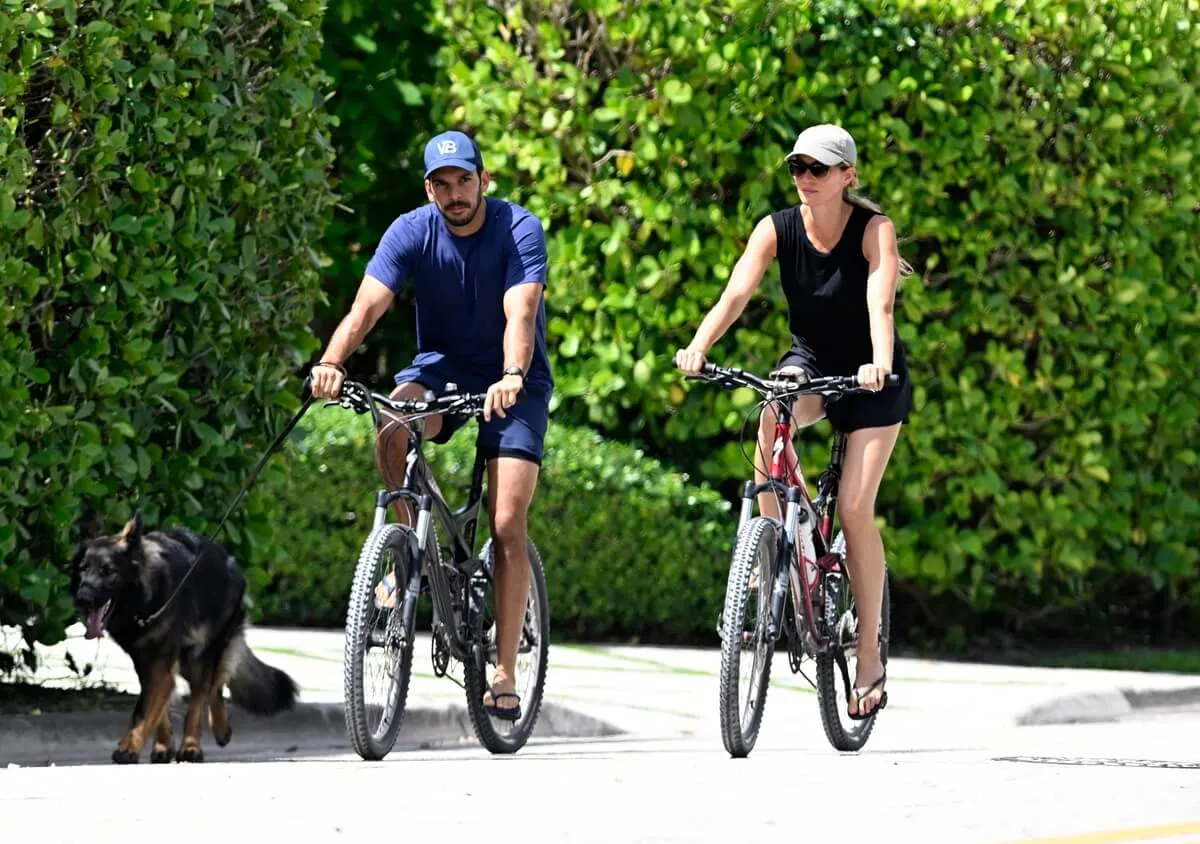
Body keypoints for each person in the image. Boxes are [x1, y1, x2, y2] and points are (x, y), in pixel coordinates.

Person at [309, 129, 553, 721]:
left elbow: (520, 310)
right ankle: (404, 554)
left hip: (512, 381)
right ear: (429, 189)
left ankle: (503, 668)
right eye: (442, 185)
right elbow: (365, 307)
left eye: (464, 180)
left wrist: (512, 372)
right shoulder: (411, 230)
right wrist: (331, 361)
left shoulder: (517, 227)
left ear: (483, 179)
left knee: (506, 523)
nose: (455, 194)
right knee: (392, 419)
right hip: (442, 371)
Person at [674, 123, 913, 720]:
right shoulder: (776, 228)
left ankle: (868, 657)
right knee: (773, 404)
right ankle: (773, 542)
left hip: (869, 375)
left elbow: (879, 303)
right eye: (798, 169)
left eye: (819, 169)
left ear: (847, 176)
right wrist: (698, 345)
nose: (806, 179)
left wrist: (879, 364)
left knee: (855, 509)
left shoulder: (873, 230)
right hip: (811, 362)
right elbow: (736, 293)